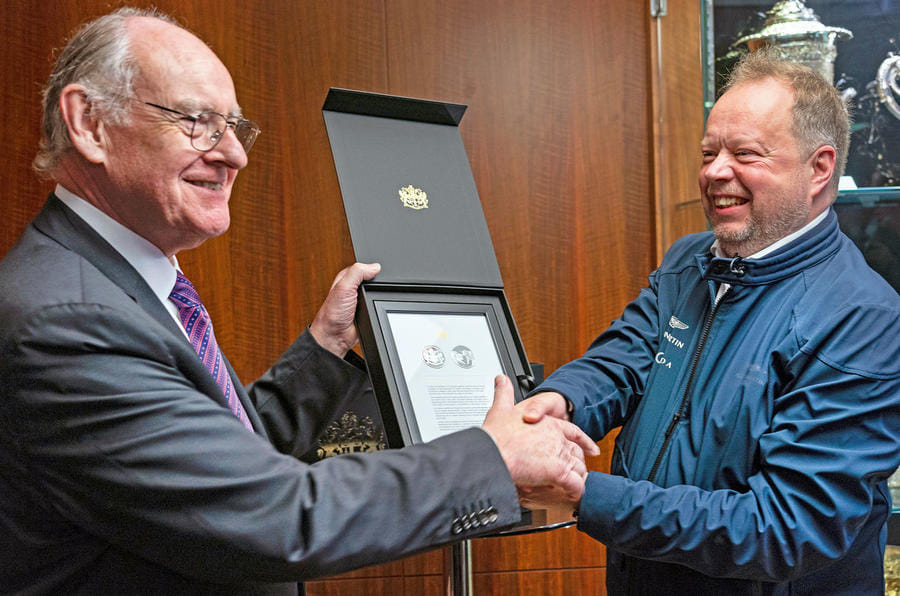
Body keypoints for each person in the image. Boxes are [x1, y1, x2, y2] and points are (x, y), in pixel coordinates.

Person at [0, 8, 598, 595]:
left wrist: (327, 348)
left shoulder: (117, 283)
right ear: (89, 123)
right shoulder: (70, 320)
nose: (234, 154)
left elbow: (224, 468)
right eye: (197, 121)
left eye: (234, 127)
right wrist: (490, 458)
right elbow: (275, 516)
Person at [522, 50, 900, 594]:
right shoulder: (689, 260)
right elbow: (625, 359)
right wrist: (553, 403)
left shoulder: (862, 320)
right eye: (708, 152)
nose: (715, 171)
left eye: (745, 153)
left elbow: (784, 529)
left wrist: (586, 495)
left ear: (819, 168)